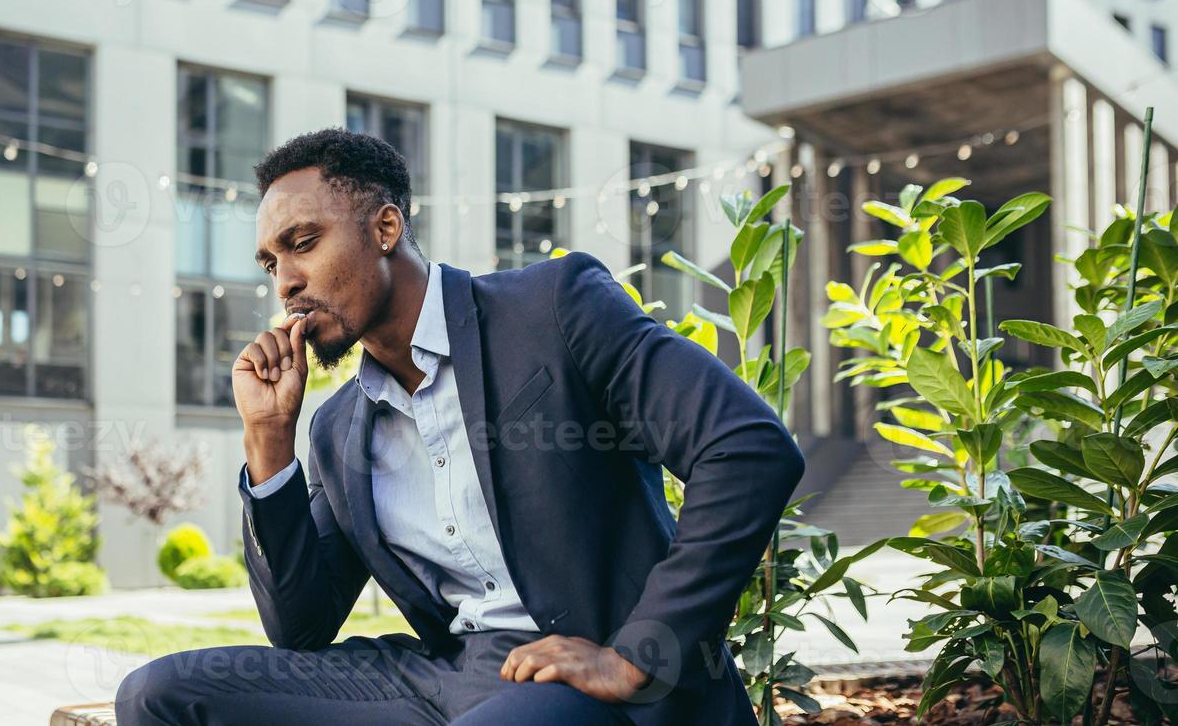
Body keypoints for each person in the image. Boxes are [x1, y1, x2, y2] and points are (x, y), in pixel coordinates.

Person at [117, 128, 805, 725]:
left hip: (588, 683)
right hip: (442, 678)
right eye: (272, 263)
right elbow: (300, 628)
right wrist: (268, 441)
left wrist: (636, 657)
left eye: (303, 244)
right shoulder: (337, 429)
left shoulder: (554, 309)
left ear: (385, 229)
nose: (286, 282)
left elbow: (748, 448)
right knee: (159, 695)